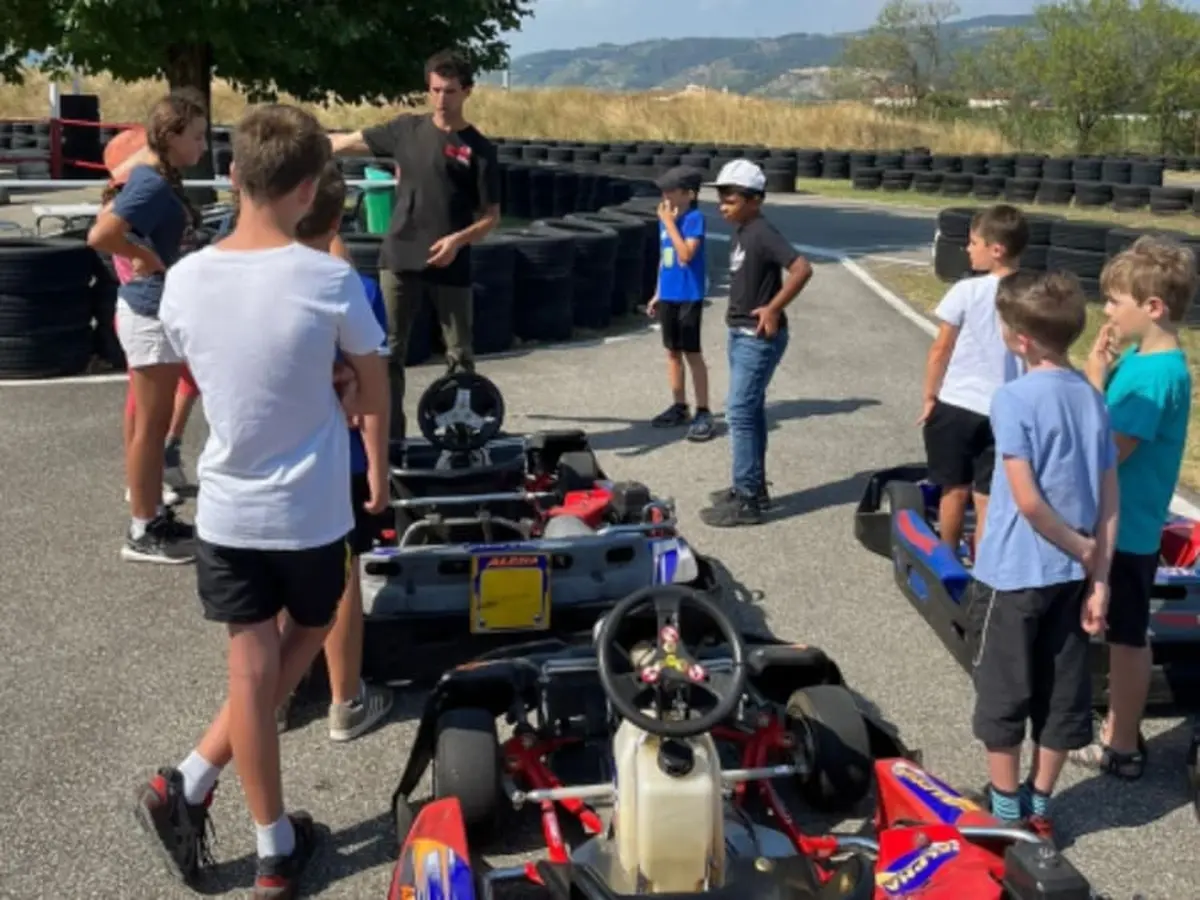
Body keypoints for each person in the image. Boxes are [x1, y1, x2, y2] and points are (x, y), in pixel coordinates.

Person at [133, 103, 390, 898]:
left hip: (228, 511)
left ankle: (241, 818)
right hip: (310, 511)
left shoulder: (184, 280)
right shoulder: (330, 278)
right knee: (308, 628)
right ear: (310, 188)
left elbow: (208, 363)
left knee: (249, 668)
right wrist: (348, 400)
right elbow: (370, 390)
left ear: (235, 175)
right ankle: (233, 812)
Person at [971, 270, 1118, 841]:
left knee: (1003, 691)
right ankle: (1040, 804)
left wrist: (1079, 546)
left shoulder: (1011, 398)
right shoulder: (1091, 397)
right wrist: (1097, 572)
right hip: (1073, 579)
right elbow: (1110, 497)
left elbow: (1028, 502)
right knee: (1062, 691)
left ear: (1021, 340)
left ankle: (1006, 810)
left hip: (1013, 574)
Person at [275, 160, 395, 742]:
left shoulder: (244, 278)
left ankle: (277, 696)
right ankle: (346, 699)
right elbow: (371, 392)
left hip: (269, 453)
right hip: (335, 456)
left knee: (279, 570)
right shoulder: (357, 288)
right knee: (339, 574)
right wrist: (378, 466)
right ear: (338, 216)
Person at [1070, 236, 1197, 780]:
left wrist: (1095, 381)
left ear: (1153, 308)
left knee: (1124, 636)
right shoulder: (1150, 362)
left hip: (1127, 526)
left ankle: (1121, 743)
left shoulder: (1152, 376)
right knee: (1125, 630)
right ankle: (1119, 727)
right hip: (1130, 520)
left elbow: (1109, 450)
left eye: (1116, 301)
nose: (1106, 310)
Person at [328, 49, 501, 443]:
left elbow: (491, 217)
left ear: (467, 91)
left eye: (451, 91)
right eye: (436, 90)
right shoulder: (405, 130)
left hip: (452, 262)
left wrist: (459, 240)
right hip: (400, 257)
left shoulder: (480, 149)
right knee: (387, 350)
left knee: (459, 355)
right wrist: (304, 145)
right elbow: (344, 143)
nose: (442, 99)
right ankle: (390, 439)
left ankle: (462, 433)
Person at [88, 91, 208, 563]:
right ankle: (143, 529)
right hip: (149, 314)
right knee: (151, 427)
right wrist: (146, 257)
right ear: (172, 136)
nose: (203, 146)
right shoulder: (152, 183)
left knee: (147, 423)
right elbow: (101, 233)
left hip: (151, 310)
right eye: (196, 137)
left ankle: (152, 512)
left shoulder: (155, 179)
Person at [698, 159, 812, 527]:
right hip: (740, 333)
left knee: (739, 413)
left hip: (756, 338)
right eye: (721, 197)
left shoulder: (762, 231)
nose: (722, 204)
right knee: (752, 411)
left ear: (754, 199)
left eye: (730, 197)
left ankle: (747, 500)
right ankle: (752, 485)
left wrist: (774, 308)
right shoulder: (743, 230)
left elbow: (801, 268)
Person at [919, 204, 1028, 559]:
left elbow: (941, 349)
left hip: (958, 403)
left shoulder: (967, 290)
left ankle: (946, 559)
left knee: (954, 489)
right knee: (988, 498)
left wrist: (930, 396)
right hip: (1006, 409)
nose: (968, 249)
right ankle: (985, 571)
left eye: (973, 242)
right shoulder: (1032, 294)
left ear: (996, 249)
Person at [103, 127, 201, 506]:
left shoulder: (149, 199)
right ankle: (144, 477)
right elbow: (116, 246)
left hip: (168, 307)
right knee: (144, 406)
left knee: (187, 385)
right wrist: (150, 260)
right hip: (150, 309)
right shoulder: (131, 204)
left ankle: (167, 455)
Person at [646, 165, 714, 441]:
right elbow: (666, 259)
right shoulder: (666, 218)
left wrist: (671, 224)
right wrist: (658, 292)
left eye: (671, 190)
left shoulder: (694, 219)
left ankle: (704, 410)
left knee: (691, 352)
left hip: (689, 295)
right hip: (671, 293)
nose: (665, 195)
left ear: (689, 194)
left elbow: (685, 254)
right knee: (672, 352)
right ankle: (679, 405)